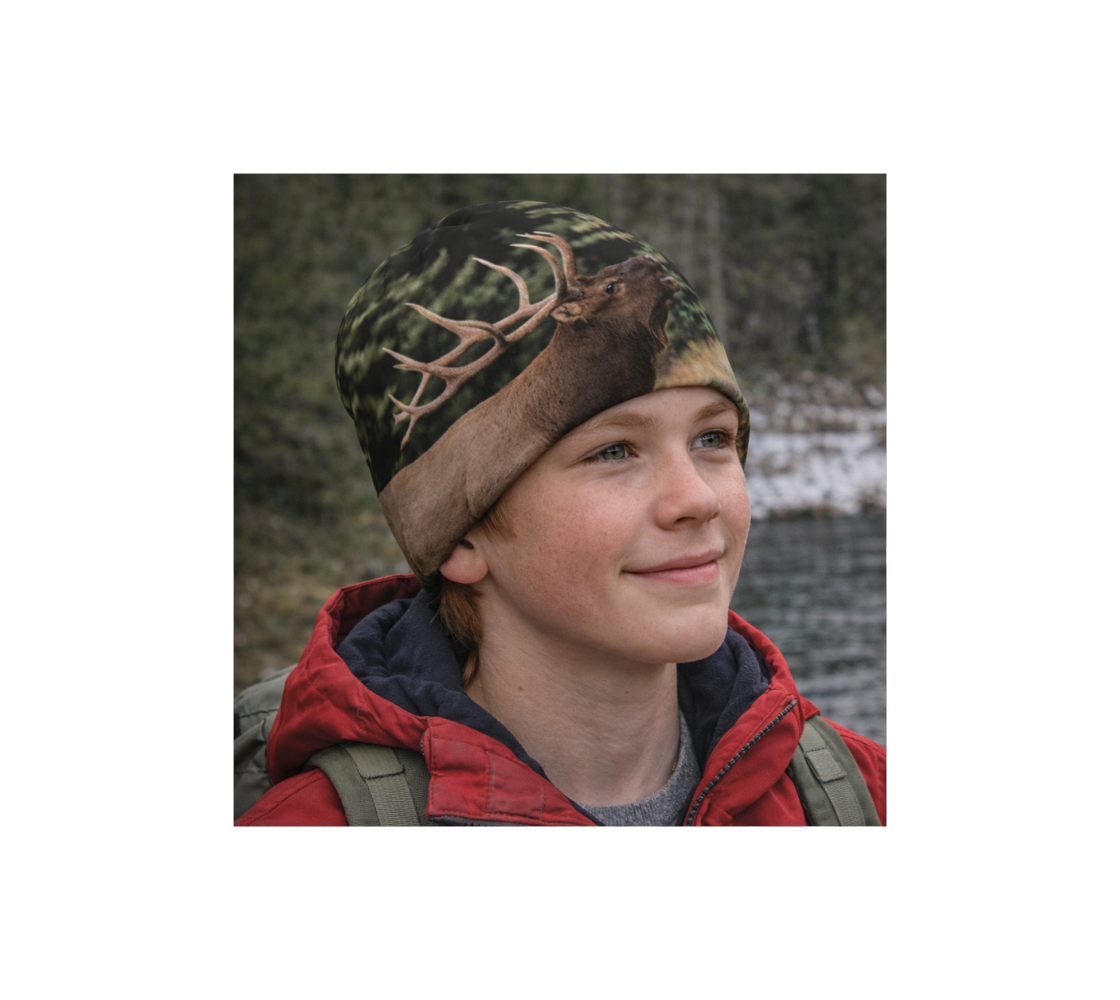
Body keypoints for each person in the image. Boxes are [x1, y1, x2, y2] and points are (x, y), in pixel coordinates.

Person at [233, 201, 887, 826]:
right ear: (460, 533)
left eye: (711, 439)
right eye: (612, 451)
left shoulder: (858, 795)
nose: (697, 498)